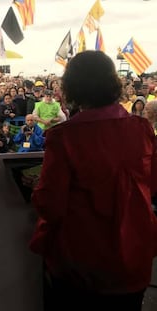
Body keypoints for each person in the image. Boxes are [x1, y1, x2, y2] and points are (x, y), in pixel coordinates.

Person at [29, 51, 157, 310]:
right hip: (134, 254)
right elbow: (152, 185)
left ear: (72, 87)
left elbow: (50, 206)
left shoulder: (64, 137)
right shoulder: (141, 129)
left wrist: (34, 187)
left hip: (82, 260)